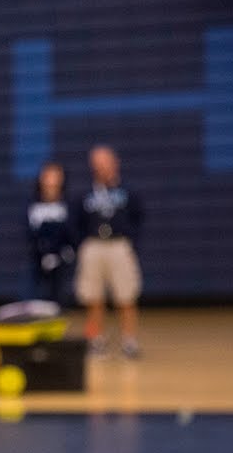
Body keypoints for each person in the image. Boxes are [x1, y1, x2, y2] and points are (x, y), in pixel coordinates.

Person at [73, 145, 145, 358]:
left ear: (115, 163)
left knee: (126, 296)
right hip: (93, 246)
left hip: (119, 245)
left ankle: (129, 341)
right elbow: (76, 222)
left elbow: (138, 218)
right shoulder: (85, 193)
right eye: (97, 163)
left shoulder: (128, 191)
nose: (101, 166)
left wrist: (130, 241)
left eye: (105, 161)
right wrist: (83, 243)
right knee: (93, 297)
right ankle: (96, 340)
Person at [26, 162, 74, 305]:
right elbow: (28, 236)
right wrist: (42, 254)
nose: (52, 183)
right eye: (48, 177)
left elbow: (73, 235)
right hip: (38, 267)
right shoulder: (32, 206)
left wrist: (63, 254)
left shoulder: (68, 206)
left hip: (63, 268)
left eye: (56, 178)